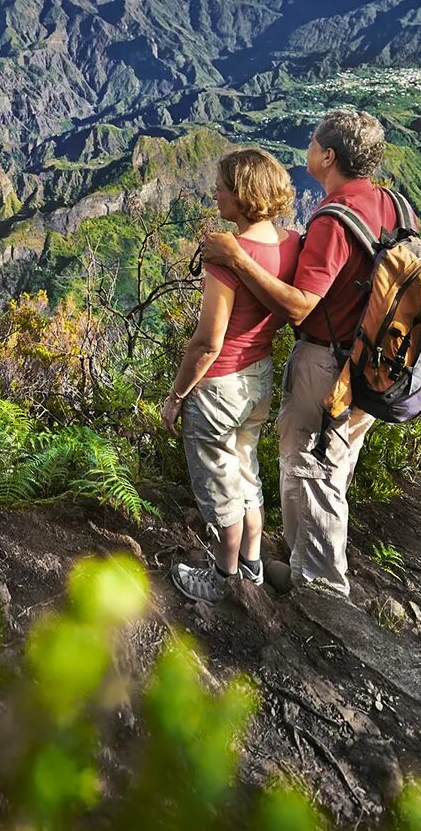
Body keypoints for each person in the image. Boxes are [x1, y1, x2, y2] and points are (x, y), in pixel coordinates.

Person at [201, 109, 394, 599]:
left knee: (309, 471)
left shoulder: (333, 219)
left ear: (327, 156)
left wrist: (238, 258)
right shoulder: (388, 202)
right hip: (373, 360)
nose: (306, 148)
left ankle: (321, 591)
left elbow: (299, 306)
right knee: (333, 469)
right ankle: (312, 569)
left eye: (312, 141)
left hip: (330, 363)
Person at [164, 147, 302, 604]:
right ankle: (253, 565)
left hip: (219, 385)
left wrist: (178, 394)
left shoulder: (227, 256)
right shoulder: (290, 244)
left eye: (222, 185)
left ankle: (222, 579)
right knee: (246, 473)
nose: (216, 192)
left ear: (242, 195)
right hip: (259, 376)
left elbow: (207, 342)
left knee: (220, 486)